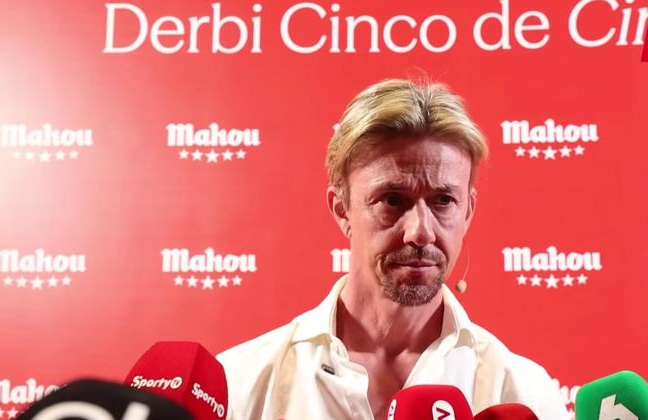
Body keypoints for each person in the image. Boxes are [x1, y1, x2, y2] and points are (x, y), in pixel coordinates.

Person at [217, 78, 568, 420]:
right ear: (342, 210)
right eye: (392, 200)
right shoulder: (241, 385)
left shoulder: (524, 396)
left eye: (443, 200)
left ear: (468, 212)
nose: (420, 232)